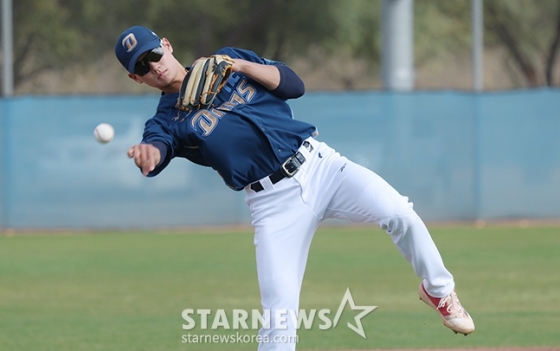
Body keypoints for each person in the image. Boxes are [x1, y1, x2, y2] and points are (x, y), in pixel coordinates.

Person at [115, 25, 475, 350]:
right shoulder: (166, 121)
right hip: (272, 203)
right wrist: (150, 153)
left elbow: (293, 86)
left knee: (399, 212)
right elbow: (156, 153)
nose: (154, 66)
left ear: (167, 45)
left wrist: (238, 66)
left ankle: (438, 292)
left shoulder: (229, 60)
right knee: (279, 317)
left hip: (322, 166)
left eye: (154, 55)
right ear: (136, 78)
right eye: (143, 66)